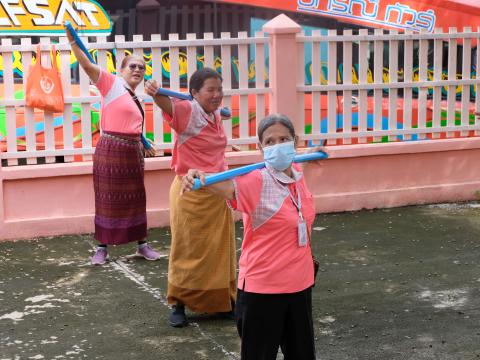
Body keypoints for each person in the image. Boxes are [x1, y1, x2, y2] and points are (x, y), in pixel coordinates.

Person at [181, 114, 320, 360]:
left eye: (284, 139)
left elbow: (301, 164)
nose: (278, 145)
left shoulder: (297, 171)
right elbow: (222, 186)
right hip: (262, 292)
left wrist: (316, 152)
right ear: (260, 148)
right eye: (270, 141)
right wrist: (197, 175)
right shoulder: (256, 180)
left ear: (294, 142)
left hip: (300, 286)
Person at [144, 68, 236, 327]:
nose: (217, 94)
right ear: (194, 93)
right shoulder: (188, 110)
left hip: (218, 192)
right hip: (190, 192)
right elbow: (168, 105)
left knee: (219, 251)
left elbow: (219, 110)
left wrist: (221, 110)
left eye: (220, 89)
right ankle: (178, 304)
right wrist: (155, 92)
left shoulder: (213, 112)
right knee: (187, 249)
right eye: (211, 90)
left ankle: (222, 303)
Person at [65, 26, 161, 265]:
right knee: (107, 199)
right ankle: (101, 249)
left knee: (136, 198)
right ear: (122, 70)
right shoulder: (111, 83)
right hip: (110, 150)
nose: (138, 70)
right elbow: (87, 66)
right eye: (133, 66)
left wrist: (143, 141)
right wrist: (74, 43)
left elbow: (131, 122)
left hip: (132, 152)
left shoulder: (136, 96)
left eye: (142, 67)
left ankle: (142, 245)